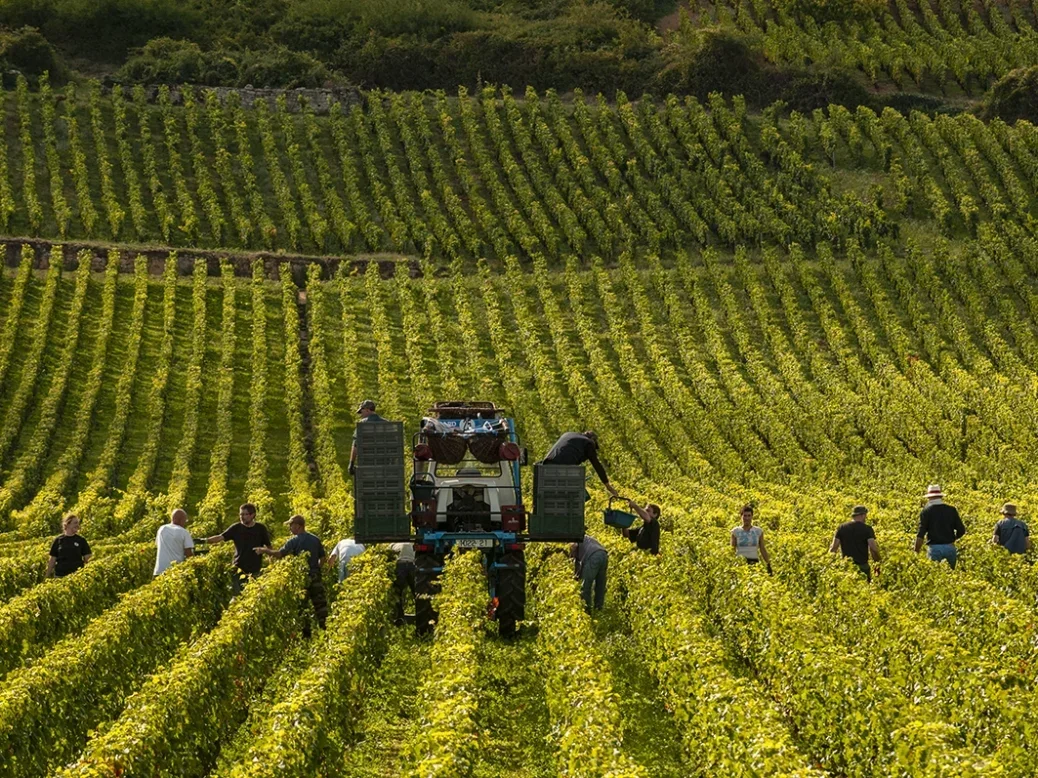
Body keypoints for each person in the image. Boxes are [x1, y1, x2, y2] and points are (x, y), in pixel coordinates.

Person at [255, 515, 329, 634]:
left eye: (291, 525)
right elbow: (323, 558)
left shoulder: (294, 541)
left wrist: (265, 550)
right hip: (316, 577)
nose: (290, 528)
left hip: (301, 578)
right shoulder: (315, 539)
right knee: (321, 607)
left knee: (302, 607)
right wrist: (316, 569)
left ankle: (306, 635)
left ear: (298, 526)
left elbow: (279, 554)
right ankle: (325, 631)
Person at [204, 503, 272, 593]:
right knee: (238, 596)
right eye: (240, 514)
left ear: (253, 515)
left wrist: (271, 563)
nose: (242, 517)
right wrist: (205, 540)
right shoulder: (236, 528)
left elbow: (269, 546)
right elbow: (220, 537)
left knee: (253, 595)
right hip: (238, 568)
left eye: (245, 514)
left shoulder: (260, 529)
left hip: (255, 569)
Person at [542, 431, 620, 499]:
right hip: (563, 469)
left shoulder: (569, 434)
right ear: (592, 439)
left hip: (546, 466)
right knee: (575, 495)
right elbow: (597, 465)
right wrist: (608, 486)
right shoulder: (588, 443)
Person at [914, 484, 966, 568]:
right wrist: (952, 539)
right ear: (940, 497)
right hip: (950, 548)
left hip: (934, 549)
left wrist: (916, 551)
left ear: (929, 497)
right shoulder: (951, 510)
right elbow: (961, 530)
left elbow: (921, 534)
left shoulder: (926, 512)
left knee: (934, 576)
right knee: (952, 576)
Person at [829, 505, 881, 581]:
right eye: (865, 515)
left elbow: (833, 548)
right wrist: (877, 564)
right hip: (863, 567)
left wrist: (830, 565)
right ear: (862, 515)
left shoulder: (841, 528)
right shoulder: (867, 529)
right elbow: (873, 549)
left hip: (847, 568)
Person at [570, 534, 608, 611]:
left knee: (586, 585)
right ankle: (599, 608)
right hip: (604, 555)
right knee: (600, 584)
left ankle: (587, 610)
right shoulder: (586, 538)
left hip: (593, 557)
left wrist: (575, 578)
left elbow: (576, 560)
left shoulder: (574, 541)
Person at [730, 504, 772, 573]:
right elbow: (732, 549)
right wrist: (731, 565)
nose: (747, 518)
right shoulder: (735, 531)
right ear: (741, 517)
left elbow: (762, 548)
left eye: (749, 516)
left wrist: (768, 564)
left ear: (752, 516)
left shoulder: (758, 531)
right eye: (745, 516)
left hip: (754, 563)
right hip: (740, 564)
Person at [47, 514, 92, 578]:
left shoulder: (81, 540)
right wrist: (47, 576)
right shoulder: (58, 540)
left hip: (77, 576)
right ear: (67, 524)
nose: (77, 525)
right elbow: (52, 560)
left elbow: (88, 559)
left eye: (78, 523)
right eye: (75, 523)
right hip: (60, 576)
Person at [154, 508, 194, 576]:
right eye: (185, 520)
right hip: (175, 572)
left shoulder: (162, 529)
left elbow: (158, 545)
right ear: (181, 520)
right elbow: (189, 554)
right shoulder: (184, 532)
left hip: (159, 571)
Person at [349, 399, 384, 475]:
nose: (361, 415)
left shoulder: (362, 424)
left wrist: (351, 464)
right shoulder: (386, 424)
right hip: (384, 463)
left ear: (368, 410)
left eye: (362, 412)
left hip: (366, 463)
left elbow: (355, 446)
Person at [390, 541, 416, 626]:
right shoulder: (412, 543)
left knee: (397, 592)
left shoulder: (393, 545)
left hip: (399, 565)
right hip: (412, 564)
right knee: (417, 592)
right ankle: (421, 615)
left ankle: (399, 617)